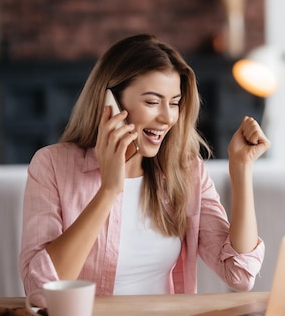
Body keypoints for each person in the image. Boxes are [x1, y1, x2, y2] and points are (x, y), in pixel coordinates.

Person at [19, 34, 270, 298]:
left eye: (174, 103)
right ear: (110, 103)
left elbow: (240, 274)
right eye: (152, 102)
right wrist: (109, 190)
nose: (167, 117)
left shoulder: (186, 171)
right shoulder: (51, 166)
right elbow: (41, 289)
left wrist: (241, 169)